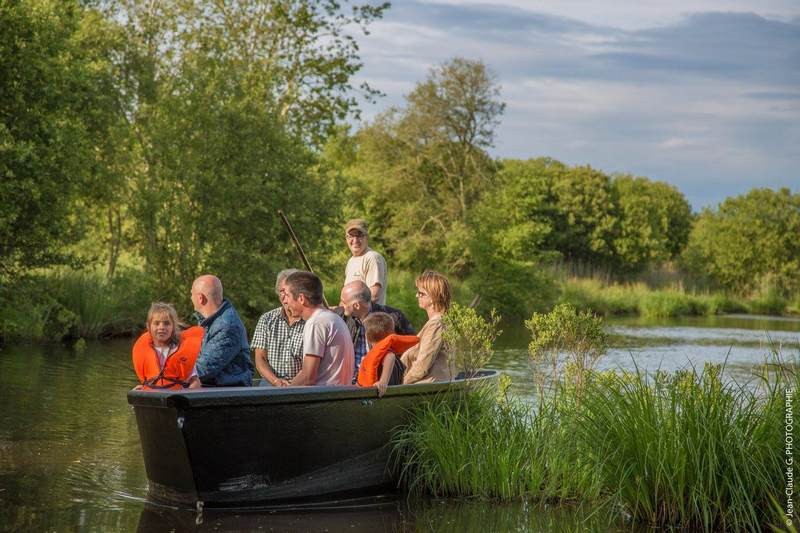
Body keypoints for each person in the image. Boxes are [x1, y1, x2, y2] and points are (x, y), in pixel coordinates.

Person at [282, 271, 354, 386]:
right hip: (339, 397)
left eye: (287, 296)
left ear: (301, 298)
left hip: (323, 399)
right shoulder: (334, 318)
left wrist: (282, 393)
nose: (284, 301)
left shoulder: (316, 323)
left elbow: (308, 377)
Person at [337, 280, 415, 378]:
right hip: (349, 380)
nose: (340, 305)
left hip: (380, 382)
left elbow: (412, 348)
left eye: (343, 302)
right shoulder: (339, 318)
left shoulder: (393, 318)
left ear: (357, 305)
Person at [191, 274, 253, 387]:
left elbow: (203, 369)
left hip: (228, 395)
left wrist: (171, 373)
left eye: (191, 294)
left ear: (200, 298)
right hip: (213, 390)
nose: (190, 298)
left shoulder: (227, 325)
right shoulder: (209, 322)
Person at [251, 269, 305, 386]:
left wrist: (292, 385)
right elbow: (260, 359)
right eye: (281, 291)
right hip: (270, 381)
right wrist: (276, 381)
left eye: (289, 292)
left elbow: (312, 367)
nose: (284, 296)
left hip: (302, 384)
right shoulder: (267, 319)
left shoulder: (311, 321)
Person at [132, 302, 203, 390]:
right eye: (156, 323)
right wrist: (142, 389)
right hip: (152, 396)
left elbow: (195, 381)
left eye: (166, 323)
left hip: (176, 397)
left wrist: (187, 394)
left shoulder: (181, 351)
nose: (161, 327)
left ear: (173, 327)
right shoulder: (143, 351)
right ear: (148, 326)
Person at [401, 270, 453, 384]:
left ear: (433, 297)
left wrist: (399, 384)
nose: (417, 295)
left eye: (421, 293)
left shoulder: (437, 324)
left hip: (426, 386)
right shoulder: (438, 322)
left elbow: (422, 366)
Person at [358, 312, 418, 397]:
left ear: (367, 337)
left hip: (381, 400)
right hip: (392, 399)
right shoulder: (385, 354)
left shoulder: (386, 354)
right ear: (392, 333)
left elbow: (390, 356)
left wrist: (383, 381)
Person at [343, 219, 388, 305]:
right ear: (346, 238)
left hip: (370, 317)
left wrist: (348, 307)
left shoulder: (372, 258)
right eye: (351, 236)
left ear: (367, 237)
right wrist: (338, 311)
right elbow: (346, 298)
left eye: (359, 236)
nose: (355, 240)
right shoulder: (351, 261)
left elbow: (373, 296)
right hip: (353, 316)